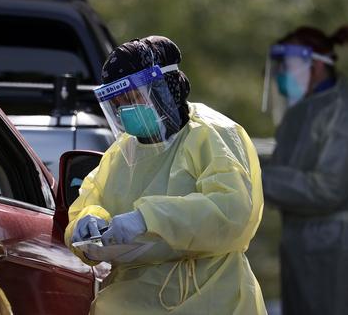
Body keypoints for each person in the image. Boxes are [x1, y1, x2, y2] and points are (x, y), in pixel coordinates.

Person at [65, 36, 267, 315]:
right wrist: (86, 224)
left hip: (210, 299)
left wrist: (147, 219)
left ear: (164, 90)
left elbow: (232, 212)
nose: (127, 109)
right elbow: (88, 203)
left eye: (135, 97)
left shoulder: (212, 134)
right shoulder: (122, 153)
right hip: (131, 302)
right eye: (119, 102)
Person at [261, 25, 348, 315]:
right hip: (307, 253)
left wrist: (257, 178)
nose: (282, 73)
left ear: (318, 65)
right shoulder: (305, 112)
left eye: (288, 65)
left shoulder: (346, 112)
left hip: (342, 254)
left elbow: (329, 188)